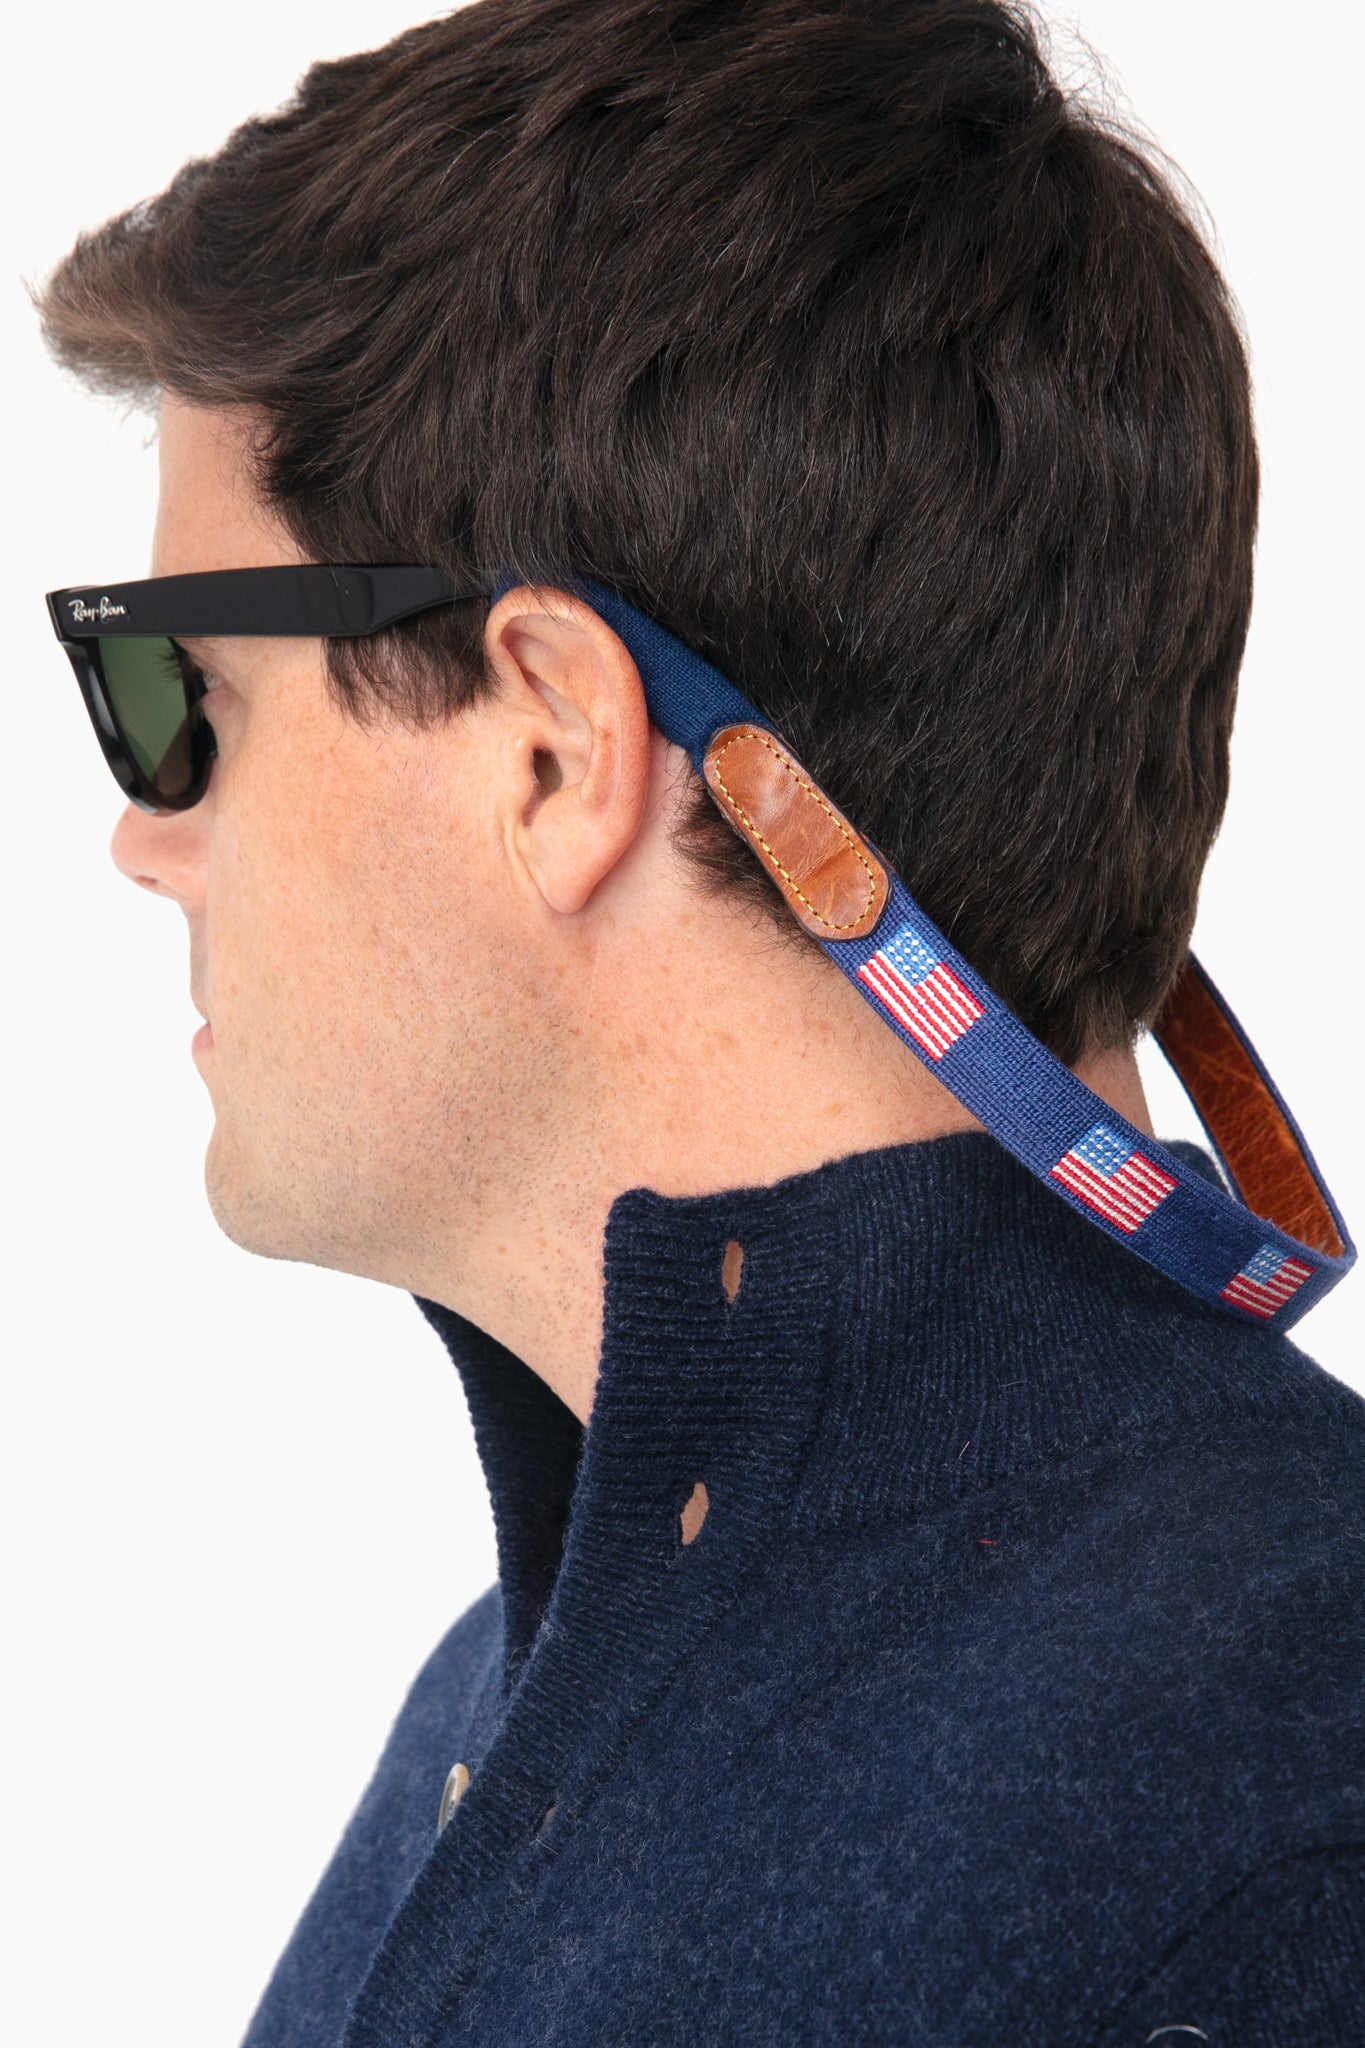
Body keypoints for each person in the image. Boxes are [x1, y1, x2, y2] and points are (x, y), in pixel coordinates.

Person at [35, 0, 1365, 2041]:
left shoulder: (1271, 1818)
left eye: (187, 695)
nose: (147, 833)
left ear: (557, 748)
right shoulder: (519, 1699)